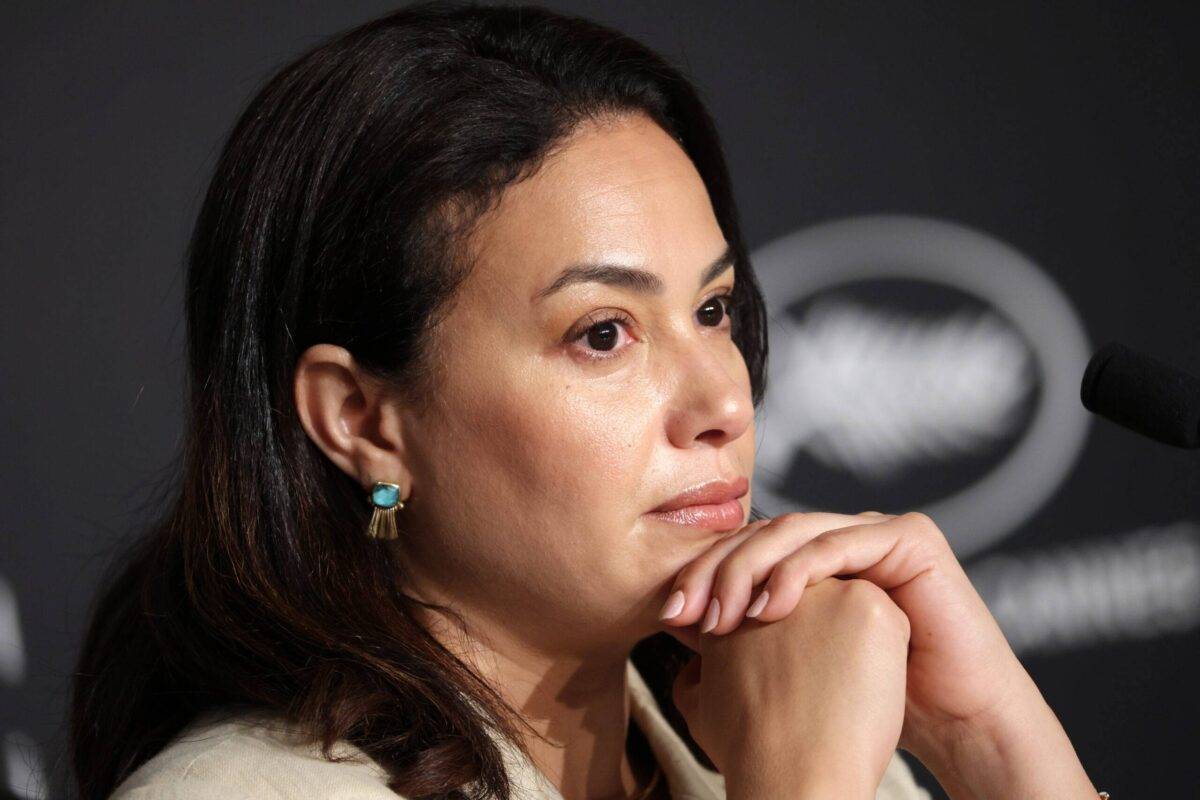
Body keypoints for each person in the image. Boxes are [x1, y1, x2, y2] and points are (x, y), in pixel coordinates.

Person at [69, 2, 1106, 799]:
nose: (723, 402)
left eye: (713, 308)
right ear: (363, 420)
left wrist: (992, 747)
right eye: (603, 333)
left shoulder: (809, 713)